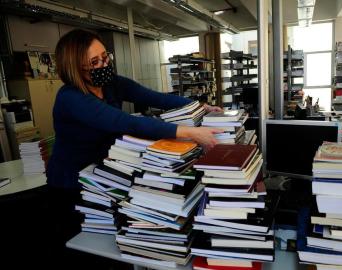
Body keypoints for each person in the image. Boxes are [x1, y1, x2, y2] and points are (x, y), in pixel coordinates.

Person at [43, 29, 222, 269]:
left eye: (105, 57)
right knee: (85, 246)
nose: (103, 64)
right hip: (71, 184)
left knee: (113, 241)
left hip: (105, 174)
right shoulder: (70, 98)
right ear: (76, 69)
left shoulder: (111, 84)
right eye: (94, 62)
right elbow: (122, 121)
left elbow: (154, 97)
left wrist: (198, 106)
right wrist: (188, 132)